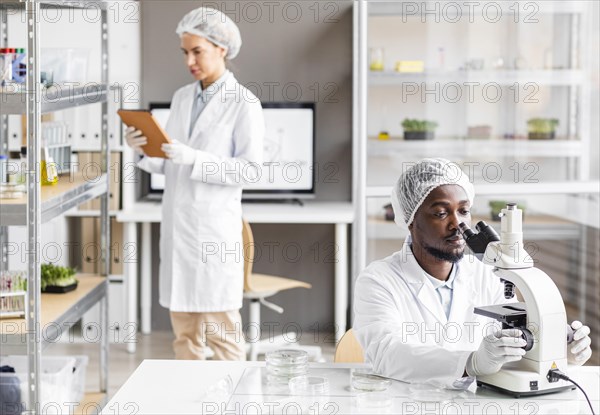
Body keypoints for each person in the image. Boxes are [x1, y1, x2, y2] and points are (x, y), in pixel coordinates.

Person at [353, 158, 592, 388]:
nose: (457, 225)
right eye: (440, 213)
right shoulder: (378, 280)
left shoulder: (487, 273)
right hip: (404, 402)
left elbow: (514, 343)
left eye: (464, 211)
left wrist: (559, 348)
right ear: (410, 220)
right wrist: (470, 363)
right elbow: (386, 353)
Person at [124, 7, 264, 361]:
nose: (189, 60)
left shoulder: (244, 103)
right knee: (184, 339)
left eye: (197, 51)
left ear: (222, 49)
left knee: (223, 340)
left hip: (213, 235)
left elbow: (250, 171)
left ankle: (234, 405)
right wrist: (141, 150)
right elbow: (173, 161)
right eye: (185, 52)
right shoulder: (182, 97)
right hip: (179, 231)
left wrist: (195, 158)